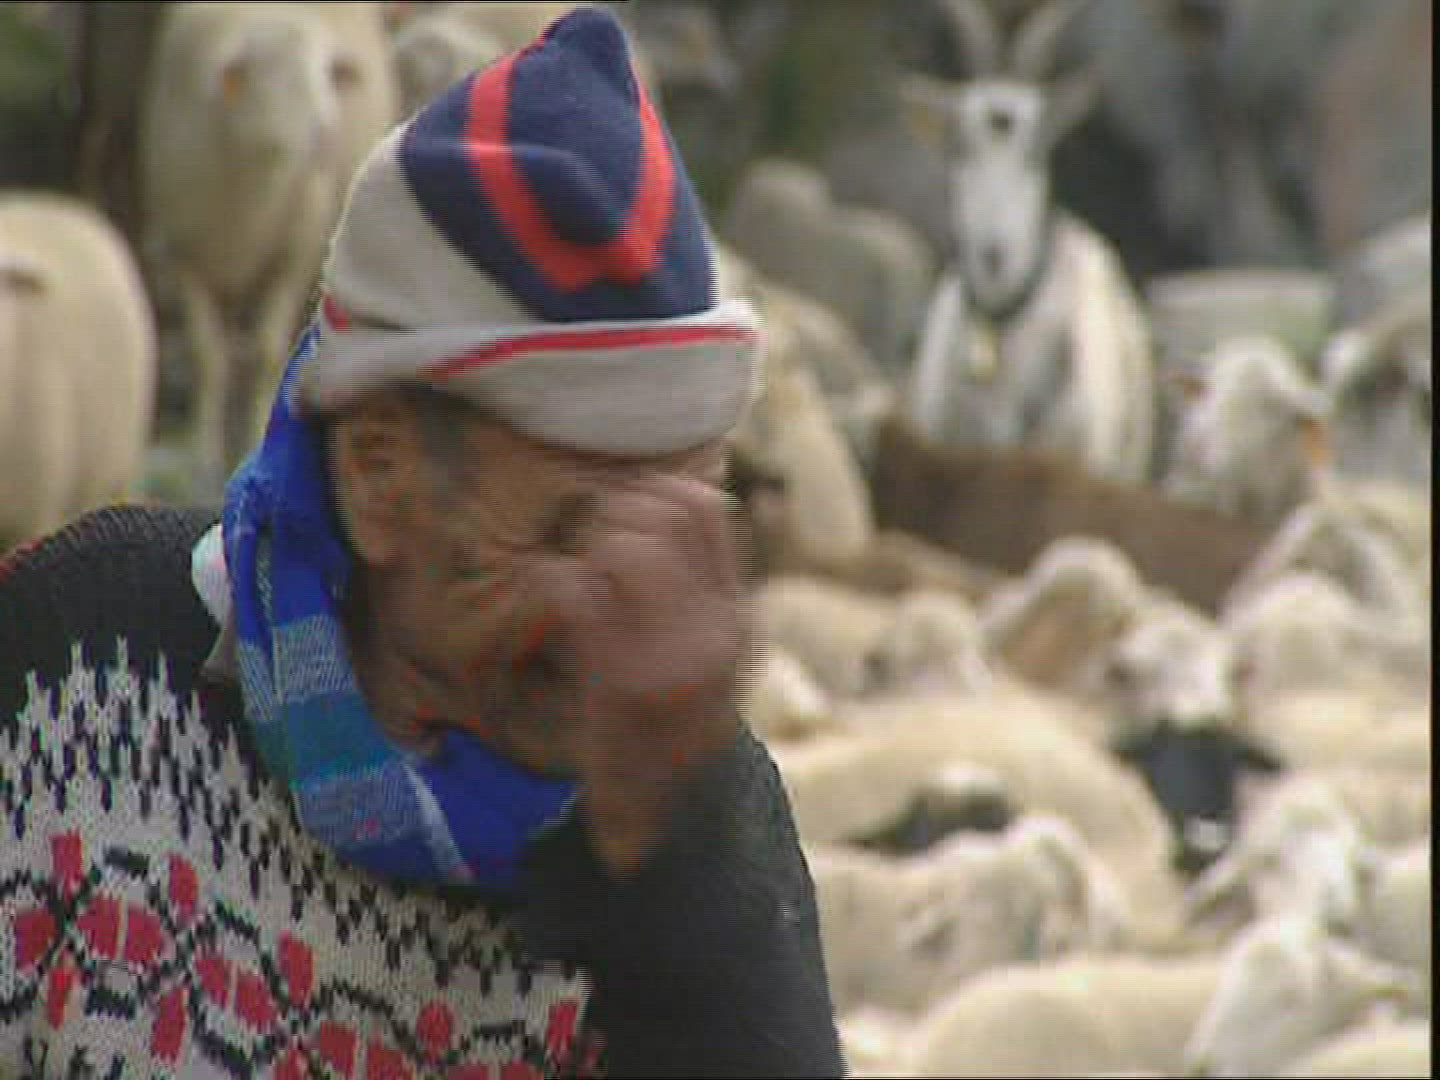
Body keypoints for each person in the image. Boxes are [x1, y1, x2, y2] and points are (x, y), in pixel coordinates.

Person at [0, 9, 843, 1077]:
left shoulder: (701, 835)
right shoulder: (74, 680)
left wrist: (661, 860)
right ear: (378, 476)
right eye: (577, 526)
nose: (634, 609)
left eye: (684, 534)